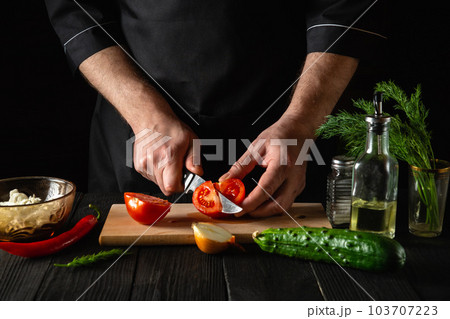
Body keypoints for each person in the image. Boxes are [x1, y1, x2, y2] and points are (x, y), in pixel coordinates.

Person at [45, 0, 387, 217]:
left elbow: (346, 7)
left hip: (288, 126)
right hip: (136, 131)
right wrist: (145, 115)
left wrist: (300, 120)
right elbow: (75, 8)